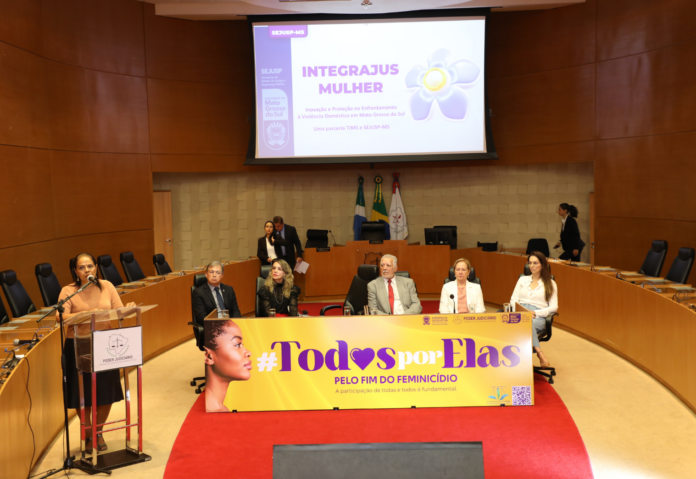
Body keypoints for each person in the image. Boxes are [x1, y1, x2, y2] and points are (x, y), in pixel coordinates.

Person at [57, 252, 136, 453]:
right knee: (82, 392)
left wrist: (129, 308)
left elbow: (118, 311)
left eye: (90, 266)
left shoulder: (107, 286)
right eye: (82, 267)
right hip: (78, 344)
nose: (87, 270)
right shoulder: (69, 290)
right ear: (75, 271)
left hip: (105, 343)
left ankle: (98, 432)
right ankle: (88, 432)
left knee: (105, 391)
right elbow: (60, 317)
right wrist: (84, 315)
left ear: (96, 268)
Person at [509, 251, 558, 368]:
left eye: (535, 263)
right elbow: (513, 300)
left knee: (525, 324)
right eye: (530, 263)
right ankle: (538, 354)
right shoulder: (522, 280)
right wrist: (522, 312)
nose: (532, 266)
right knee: (520, 323)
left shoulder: (550, 283)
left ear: (543, 265)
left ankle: (529, 361)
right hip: (520, 312)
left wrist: (535, 313)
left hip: (538, 316)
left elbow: (554, 307)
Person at [204, 319, 252, 412]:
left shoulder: (222, 409)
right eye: (237, 344)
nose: (248, 353)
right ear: (209, 357)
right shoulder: (214, 413)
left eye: (242, 344)